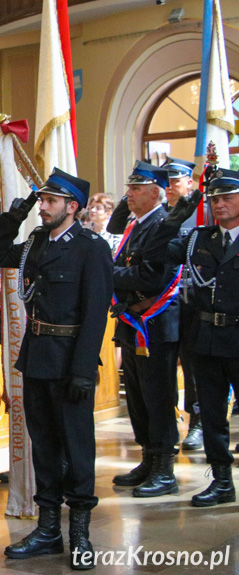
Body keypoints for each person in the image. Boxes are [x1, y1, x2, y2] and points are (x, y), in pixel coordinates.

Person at [0, 169, 112, 571]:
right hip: (37, 358)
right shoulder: (34, 243)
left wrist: (84, 369)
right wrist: (12, 216)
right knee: (44, 446)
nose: (44, 206)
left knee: (77, 449)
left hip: (70, 362)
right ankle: (48, 528)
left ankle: (80, 532)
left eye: (50, 201)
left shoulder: (90, 248)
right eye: (42, 200)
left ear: (73, 206)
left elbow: (95, 312)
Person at [143, 168, 239, 507]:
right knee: (212, 416)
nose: (219, 204)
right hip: (206, 338)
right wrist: (173, 220)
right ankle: (222, 481)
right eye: (215, 199)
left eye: (227, 197)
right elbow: (152, 253)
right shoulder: (199, 238)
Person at [110, 161, 181, 498]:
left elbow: (154, 276)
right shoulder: (136, 226)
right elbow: (124, 265)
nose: (129, 195)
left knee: (158, 396)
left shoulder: (164, 226)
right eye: (130, 188)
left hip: (155, 325)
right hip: (132, 323)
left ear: (155, 193)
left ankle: (165, 467)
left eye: (136, 189)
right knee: (138, 398)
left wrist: (110, 278)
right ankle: (148, 459)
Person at [161, 157, 204, 451]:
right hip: (161, 304)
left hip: (190, 301)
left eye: (175, 181)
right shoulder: (160, 216)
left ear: (189, 181)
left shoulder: (200, 214)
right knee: (162, 369)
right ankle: (167, 423)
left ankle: (197, 422)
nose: (170, 188)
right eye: (166, 183)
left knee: (193, 368)